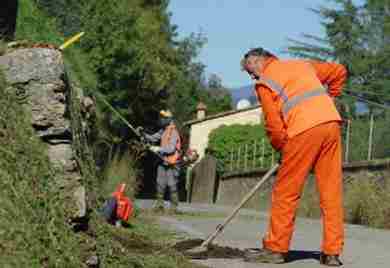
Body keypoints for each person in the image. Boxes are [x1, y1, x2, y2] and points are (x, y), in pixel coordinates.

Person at [240, 47, 348, 266]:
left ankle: (275, 249)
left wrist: (282, 147)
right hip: (331, 125)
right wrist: (332, 97)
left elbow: (273, 125)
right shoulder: (302, 65)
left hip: (303, 130)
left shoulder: (264, 83)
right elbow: (338, 71)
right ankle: (332, 253)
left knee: (286, 192)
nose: (252, 77)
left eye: (250, 70)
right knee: (331, 191)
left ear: (258, 61)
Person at [144, 110, 182, 213]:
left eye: (164, 118)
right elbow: (153, 138)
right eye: (161, 117)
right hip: (163, 161)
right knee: (160, 184)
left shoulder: (173, 132)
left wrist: (157, 149)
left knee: (172, 185)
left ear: (169, 120)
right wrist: (143, 135)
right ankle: (159, 206)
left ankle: (174, 208)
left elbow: (171, 149)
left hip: (172, 163)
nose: (161, 119)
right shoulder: (163, 130)